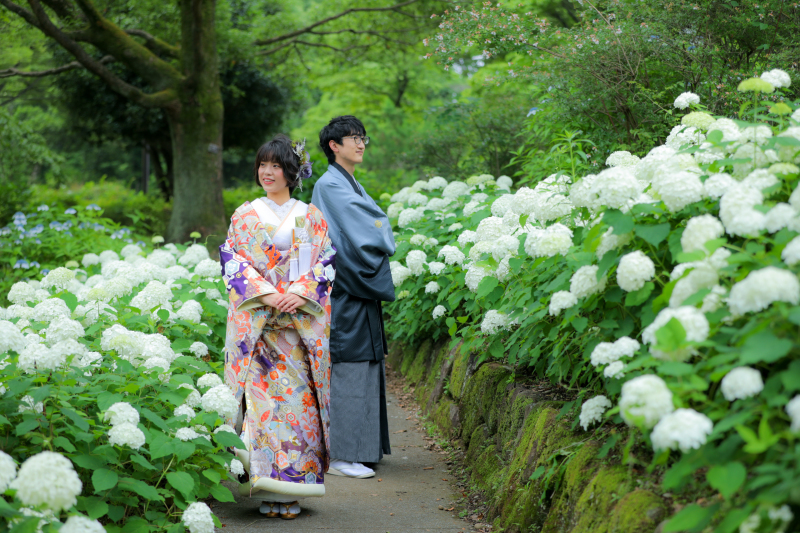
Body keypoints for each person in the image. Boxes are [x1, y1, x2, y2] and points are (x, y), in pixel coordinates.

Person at [219, 134, 336, 519]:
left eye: (275, 166)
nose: (266, 172)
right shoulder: (245, 214)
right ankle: (265, 486)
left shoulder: (310, 216)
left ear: (292, 171)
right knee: (262, 411)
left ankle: (295, 490)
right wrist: (268, 294)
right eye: (262, 165)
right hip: (260, 330)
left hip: (296, 332)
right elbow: (232, 262)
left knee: (299, 410)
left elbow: (326, 263)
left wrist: (299, 293)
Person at [311, 116, 396, 479]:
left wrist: (380, 224)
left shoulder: (345, 182)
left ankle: (361, 450)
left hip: (353, 286)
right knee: (350, 365)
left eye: (363, 138)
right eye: (353, 138)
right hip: (346, 286)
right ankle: (343, 455)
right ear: (334, 146)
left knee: (364, 363)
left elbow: (370, 221)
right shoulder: (330, 184)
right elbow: (375, 223)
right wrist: (384, 226)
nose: (361, 144)